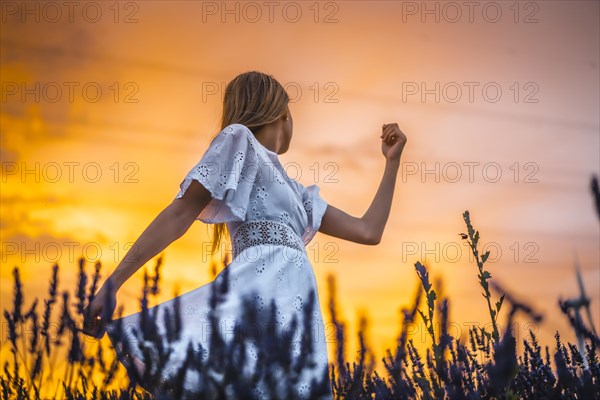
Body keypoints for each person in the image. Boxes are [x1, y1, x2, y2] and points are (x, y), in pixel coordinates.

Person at [82, 70, 407, 399]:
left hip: (296, 312)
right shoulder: (238, 140)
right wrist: (112, 285)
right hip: (252, 298)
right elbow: (179, 213)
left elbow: (369, 231)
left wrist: (391, 163)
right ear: (282, 113)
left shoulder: (299, 194)